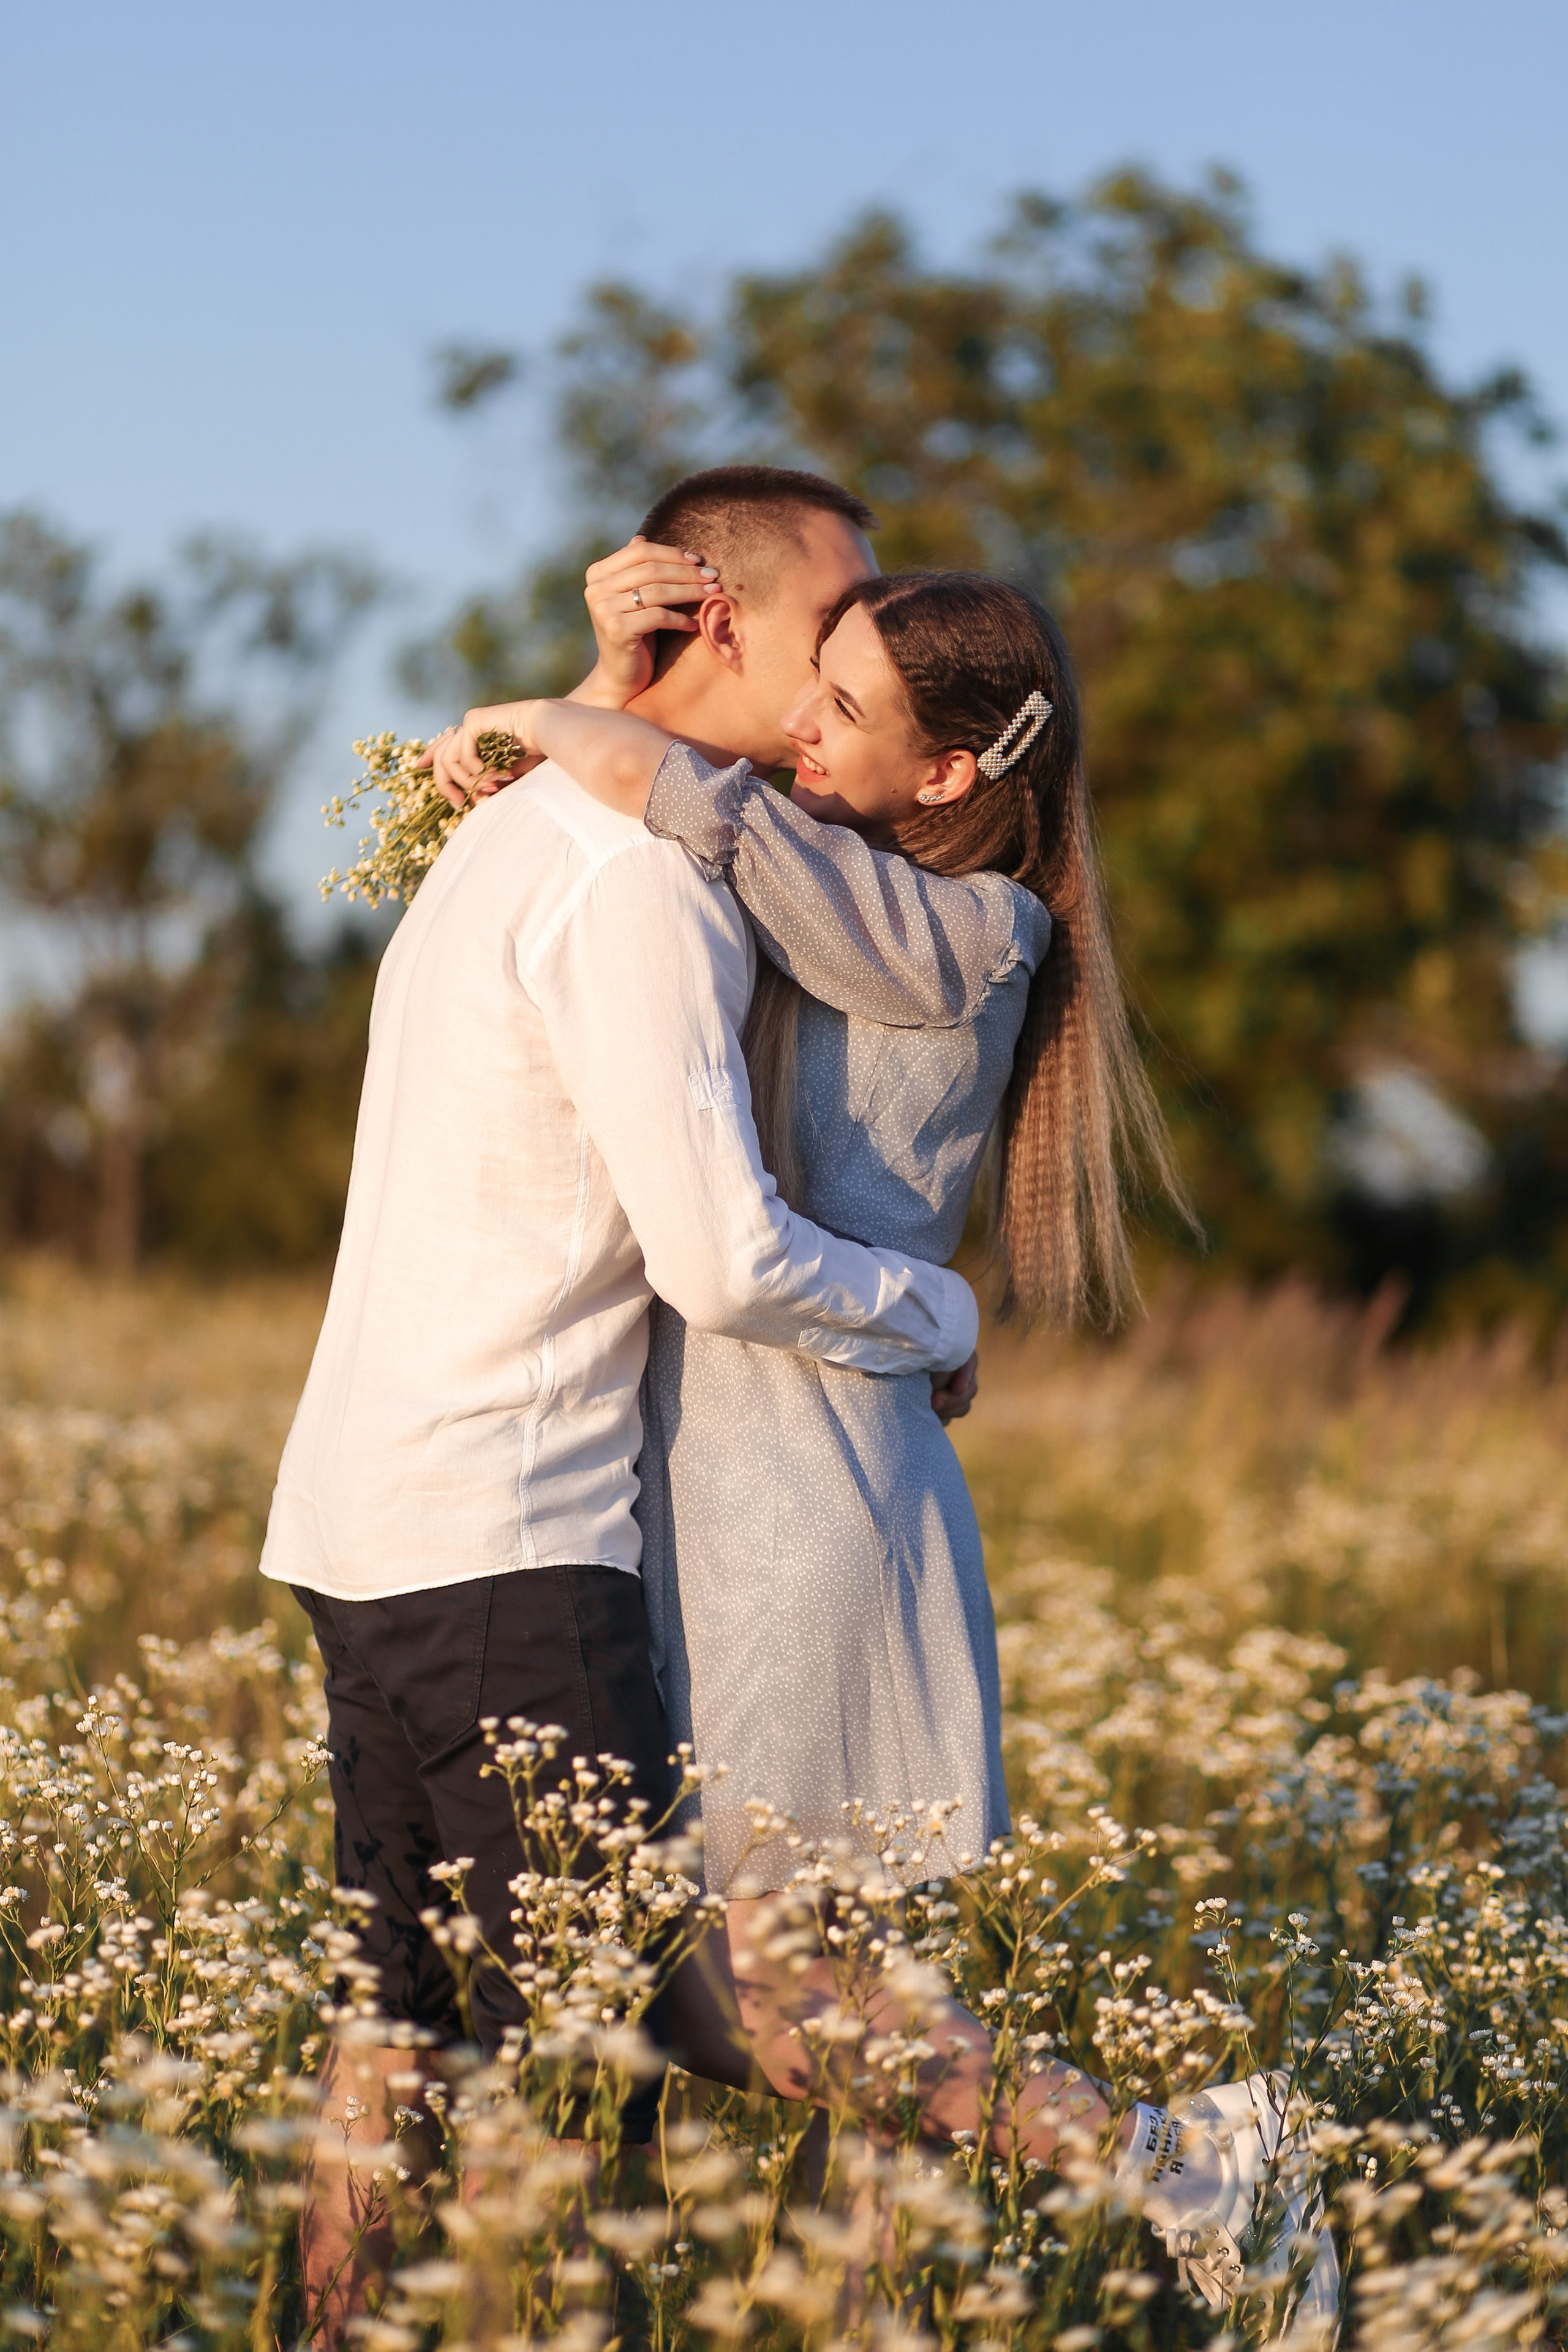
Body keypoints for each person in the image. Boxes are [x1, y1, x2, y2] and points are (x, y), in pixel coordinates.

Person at [429, 508, 1340, 2330]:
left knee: (752, 1982)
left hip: (808, 1497)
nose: (799, 735)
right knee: (825, 1999)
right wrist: (579, 718)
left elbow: (701, 811)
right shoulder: (849, 899)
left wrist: (539, 721)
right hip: (766, 1467)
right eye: (807, 696)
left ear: (946, 766)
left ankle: (1181, 2156)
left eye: (841, 711)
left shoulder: (966, 931)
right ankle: (1112, 2203)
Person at [257, 472, 984, 2343]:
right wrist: (933, 1303)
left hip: (354, 1516)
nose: (852, 659)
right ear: (726, 618)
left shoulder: (503, 834)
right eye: (834, 622)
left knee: (391, 2044)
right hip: (508, 1529)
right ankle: (1153, 2149)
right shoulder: (645, 877)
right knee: (616, 2043)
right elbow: (724, 1259)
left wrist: (573, 685)